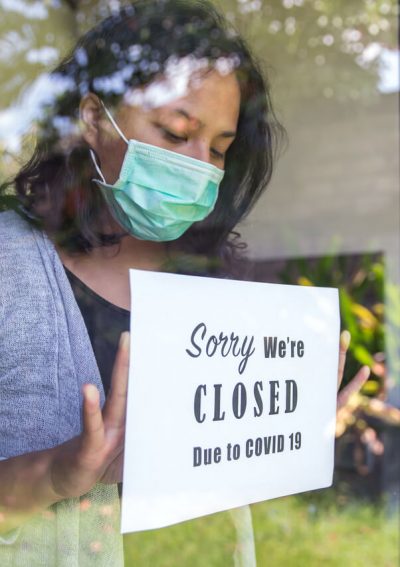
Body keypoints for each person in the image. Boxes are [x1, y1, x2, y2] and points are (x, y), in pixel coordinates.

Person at [0, 0, 369, 565]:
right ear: (94, 119)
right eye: (176, 134)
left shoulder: (212, 278)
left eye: (219, 149)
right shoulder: (10, 263)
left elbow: (219, 482)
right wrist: (54, 474)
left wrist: (286, 433)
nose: (201, 168)